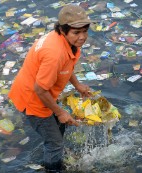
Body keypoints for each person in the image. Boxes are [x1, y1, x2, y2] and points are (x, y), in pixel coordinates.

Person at [8, 4, 93, 172]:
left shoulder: (66, 42)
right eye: (76, 33)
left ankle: (55, 150)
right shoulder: (54, 53)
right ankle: (52, 169)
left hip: (37, 90)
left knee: (59, 128)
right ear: (63, 30)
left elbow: (66, 66)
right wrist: (60, 112)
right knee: (54, 142)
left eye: (84, 31)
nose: (82, 37)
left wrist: (77, 85)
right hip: (33, 99)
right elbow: (39, 90)